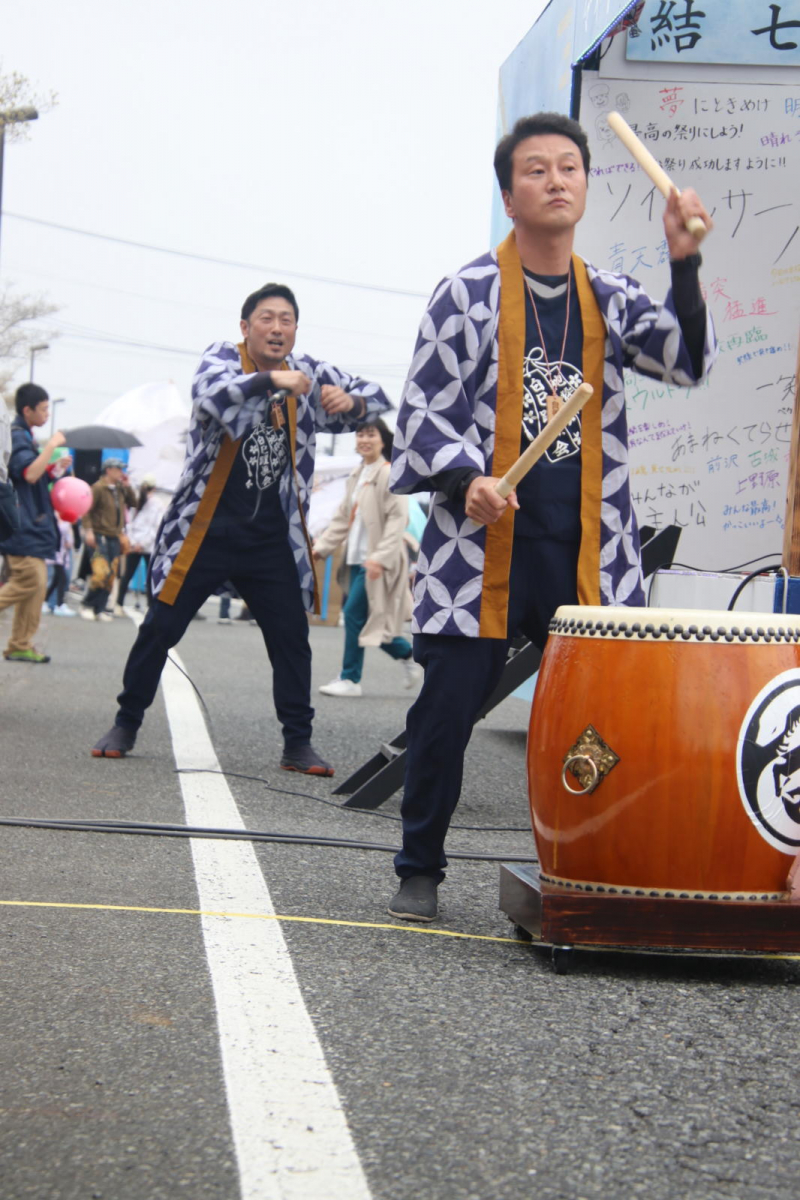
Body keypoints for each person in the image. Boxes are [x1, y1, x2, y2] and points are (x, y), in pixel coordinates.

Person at [386, 112, 717, 921]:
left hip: (590, 551)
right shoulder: (465, 294)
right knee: (445, 714)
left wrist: (684, 262)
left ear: (586, 187)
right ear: (509, 197)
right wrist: (466, 479)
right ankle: (419, 868)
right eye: (535, 169)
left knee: (604, 719)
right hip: (479, 551)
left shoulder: (609, 295)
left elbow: (687, 361)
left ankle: (589, 861)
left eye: (569, 167)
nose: (556, 180)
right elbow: (422, 414)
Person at [91, 281, 391, 771]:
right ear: (245, 326)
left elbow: (377, 400)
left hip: (272, 538)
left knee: (291, 639)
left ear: (296, 329)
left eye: (286, 320)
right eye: (266, 318)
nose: (277, 328)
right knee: (160, 627)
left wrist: (349, 404)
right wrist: (273, 381)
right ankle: (126, 721)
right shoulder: (222, 358)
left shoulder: (309, 371)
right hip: (204, 531)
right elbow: (214, 396)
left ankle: (298, 742)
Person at [313, 418, 421, 697]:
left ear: (383, 440)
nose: (364, 440)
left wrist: (380, 559)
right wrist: (321, 548)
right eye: (360, 434)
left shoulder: (389, 473)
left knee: (352, 615)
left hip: (377, 560)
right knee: (363, 619)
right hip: (357, 559)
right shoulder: (358, 473)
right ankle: (408, 654)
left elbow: (398, 518)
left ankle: (350, 679)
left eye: (370, 434)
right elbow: (342, 518)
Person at [0, 383, 71, 662]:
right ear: (27, 410)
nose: (47, 414)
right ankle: (20, 643)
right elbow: (28, 474)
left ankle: (20, 644)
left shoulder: (24, 436)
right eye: (43, 409)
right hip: (23, 526)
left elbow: (31, 476)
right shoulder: (18, 435)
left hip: (32, 525)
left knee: (37, 587)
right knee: (30, 579)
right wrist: (51, 446)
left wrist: (53, 469)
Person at [80, 458, 136, 622]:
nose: (121, 472)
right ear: (109, 470)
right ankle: (87, 605)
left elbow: (133, 503)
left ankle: (100, 608)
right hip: (100, 535)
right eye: (118, 469)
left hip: (115, 536)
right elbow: (87, 511)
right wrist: (88, 531)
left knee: (111, 575)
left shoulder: (120, 488)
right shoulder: (97, 488)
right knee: (101, 572)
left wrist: (128, 486)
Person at [115, 474, 163, 612]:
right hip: (144, 545)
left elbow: (129, 524)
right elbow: (157, 527)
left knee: (128, 575)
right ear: (154, 488)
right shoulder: (155, 504)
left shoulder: (142, 502)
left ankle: (119, 604)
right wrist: (139, 544)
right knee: (149, 578)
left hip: (139, 545)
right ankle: (150, 607)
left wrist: (136, 543)